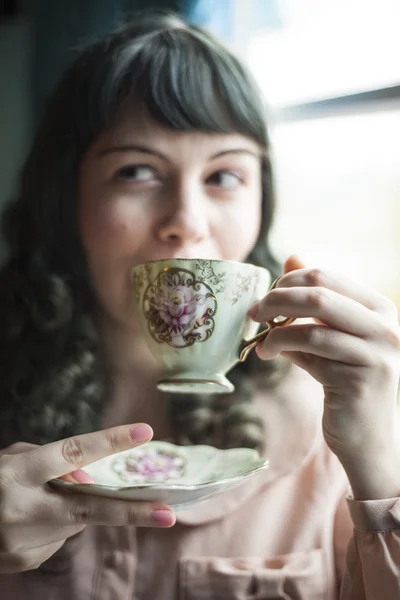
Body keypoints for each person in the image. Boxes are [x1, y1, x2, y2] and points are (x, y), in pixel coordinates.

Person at [0, 11, 399, 600]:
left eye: (224, 176)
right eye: (136, 171)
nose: (186, 223)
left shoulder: (334, 420)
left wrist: (381, 466)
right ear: (66, 201)